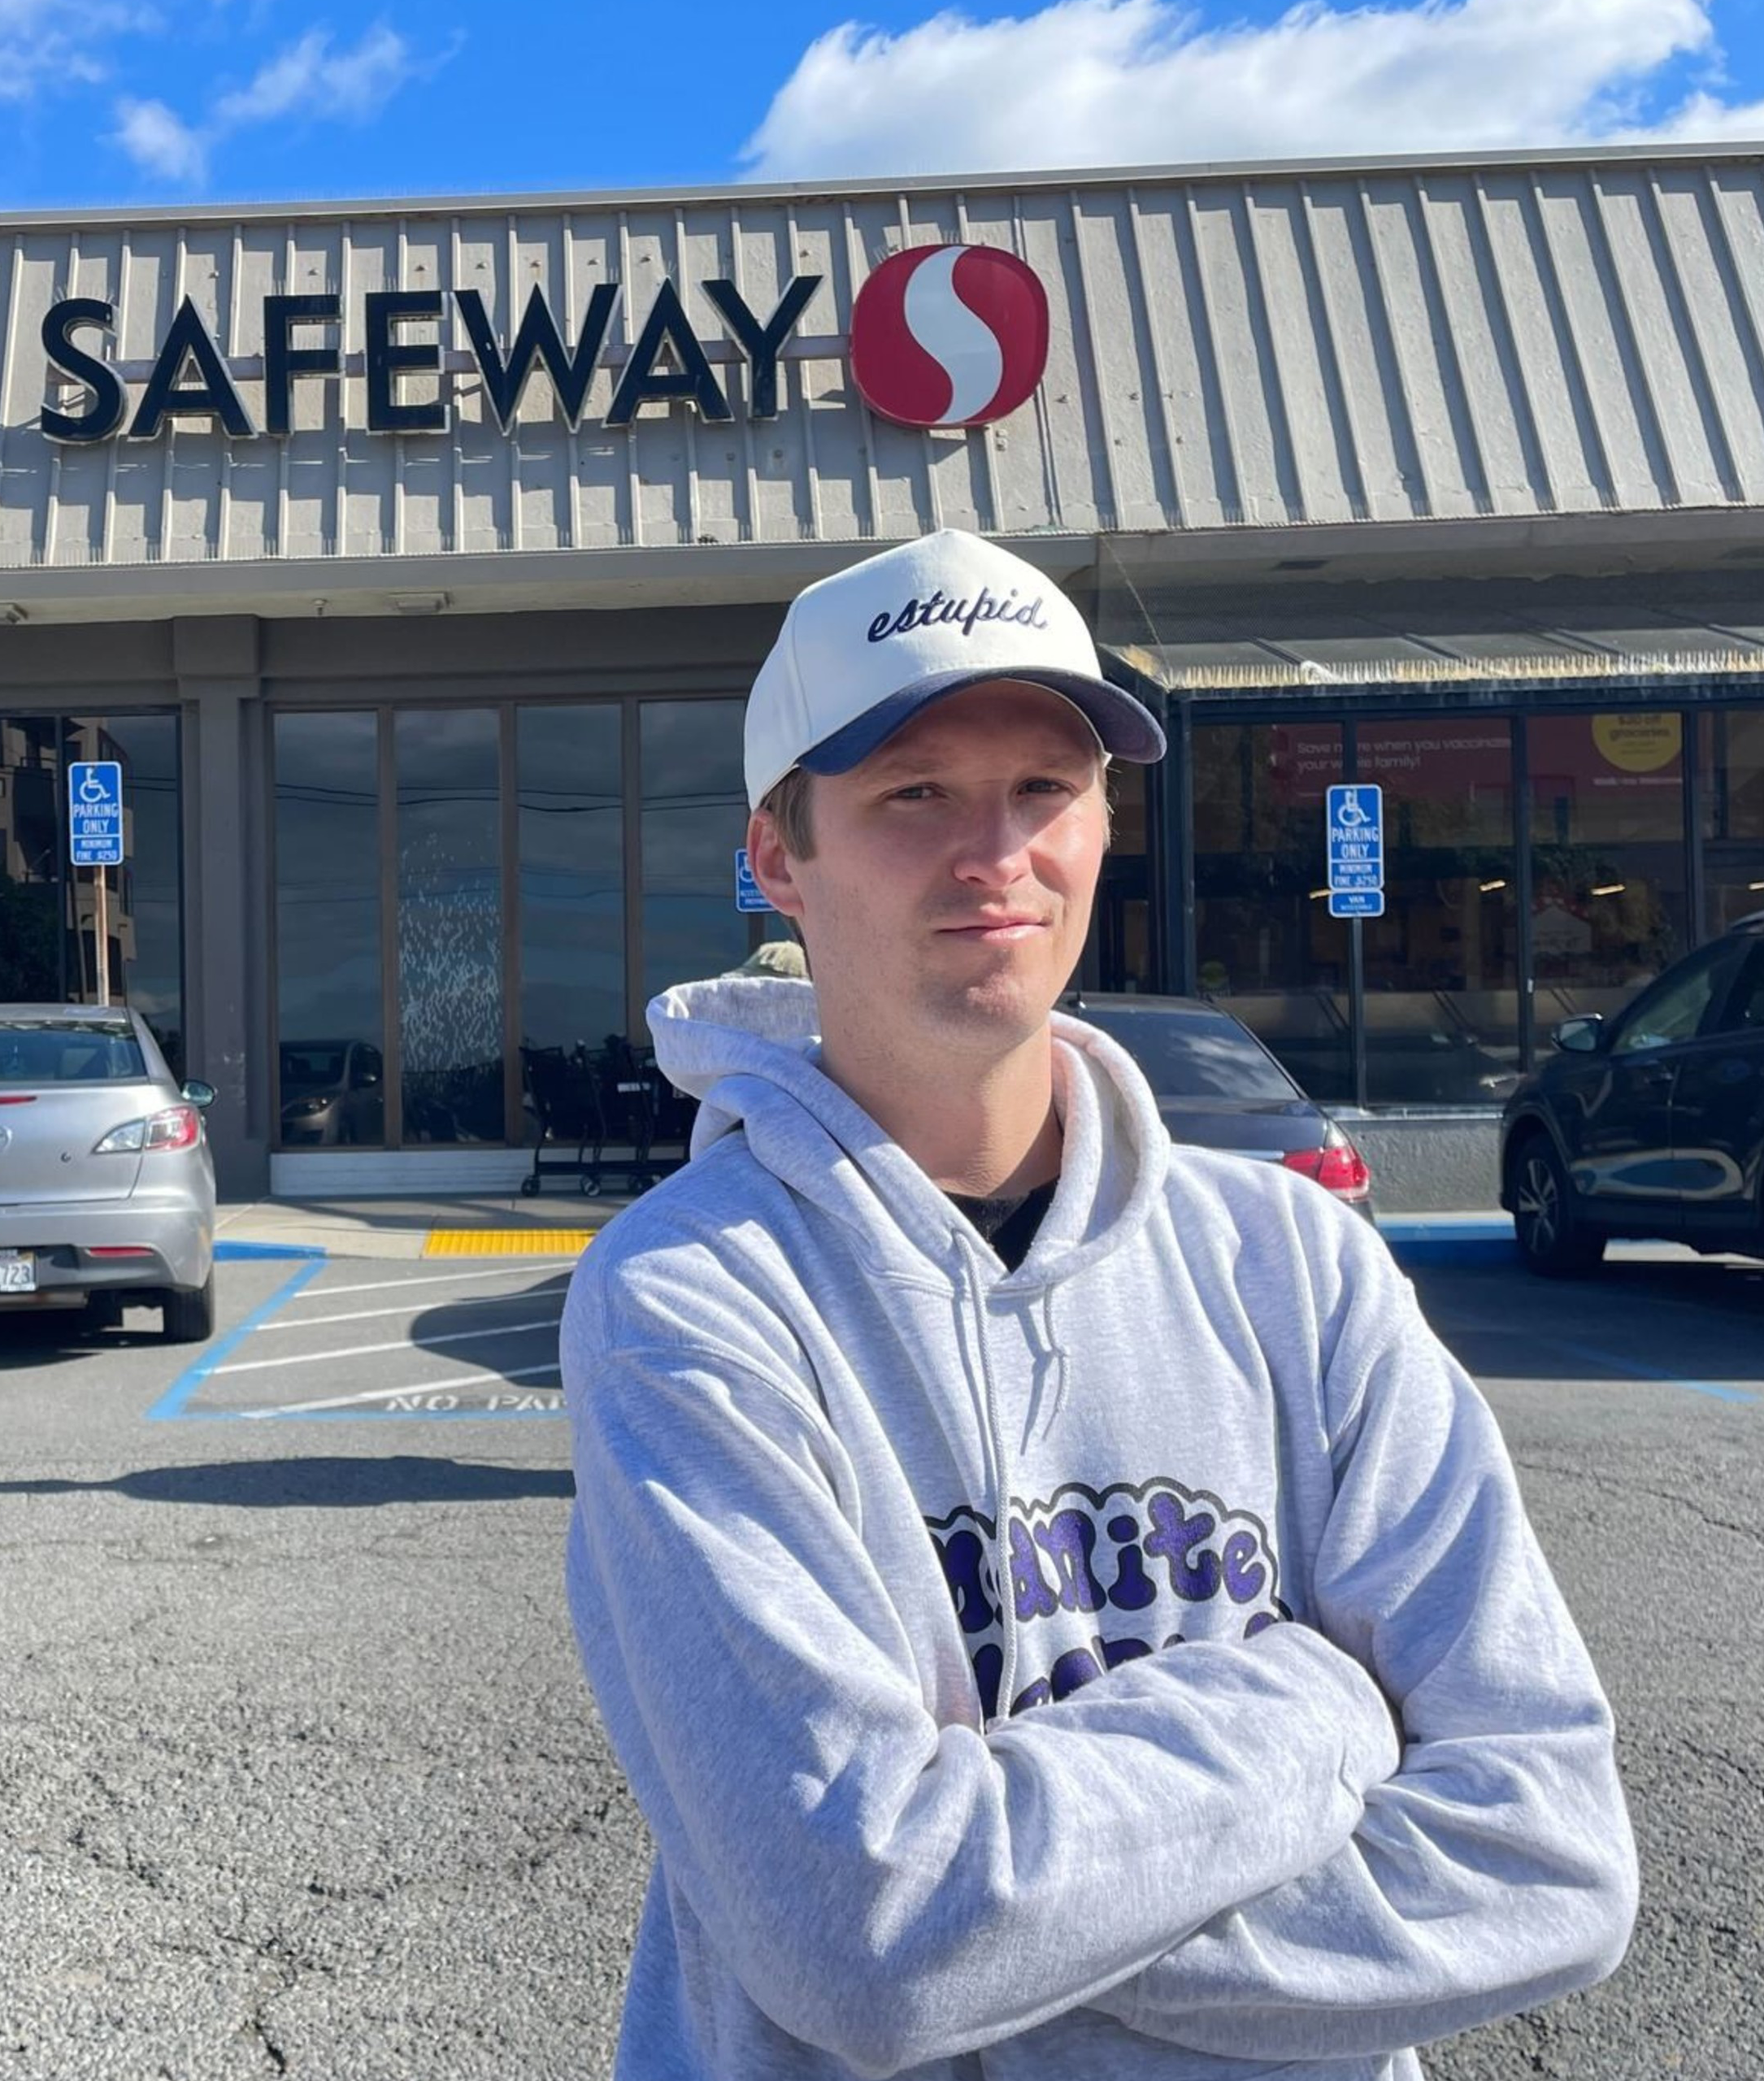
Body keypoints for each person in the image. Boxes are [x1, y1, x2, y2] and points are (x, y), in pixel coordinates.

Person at [562, 528, 1636, 2080]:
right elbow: (861, 1941)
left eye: (1043, 790)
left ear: (1105, 825)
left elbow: (1548, 1856)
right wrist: (1314, 1710)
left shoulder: (1295, 1267)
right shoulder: (693, 1296)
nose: (991, 851)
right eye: (912, 791)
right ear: (780, 855)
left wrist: (1007, 1932)